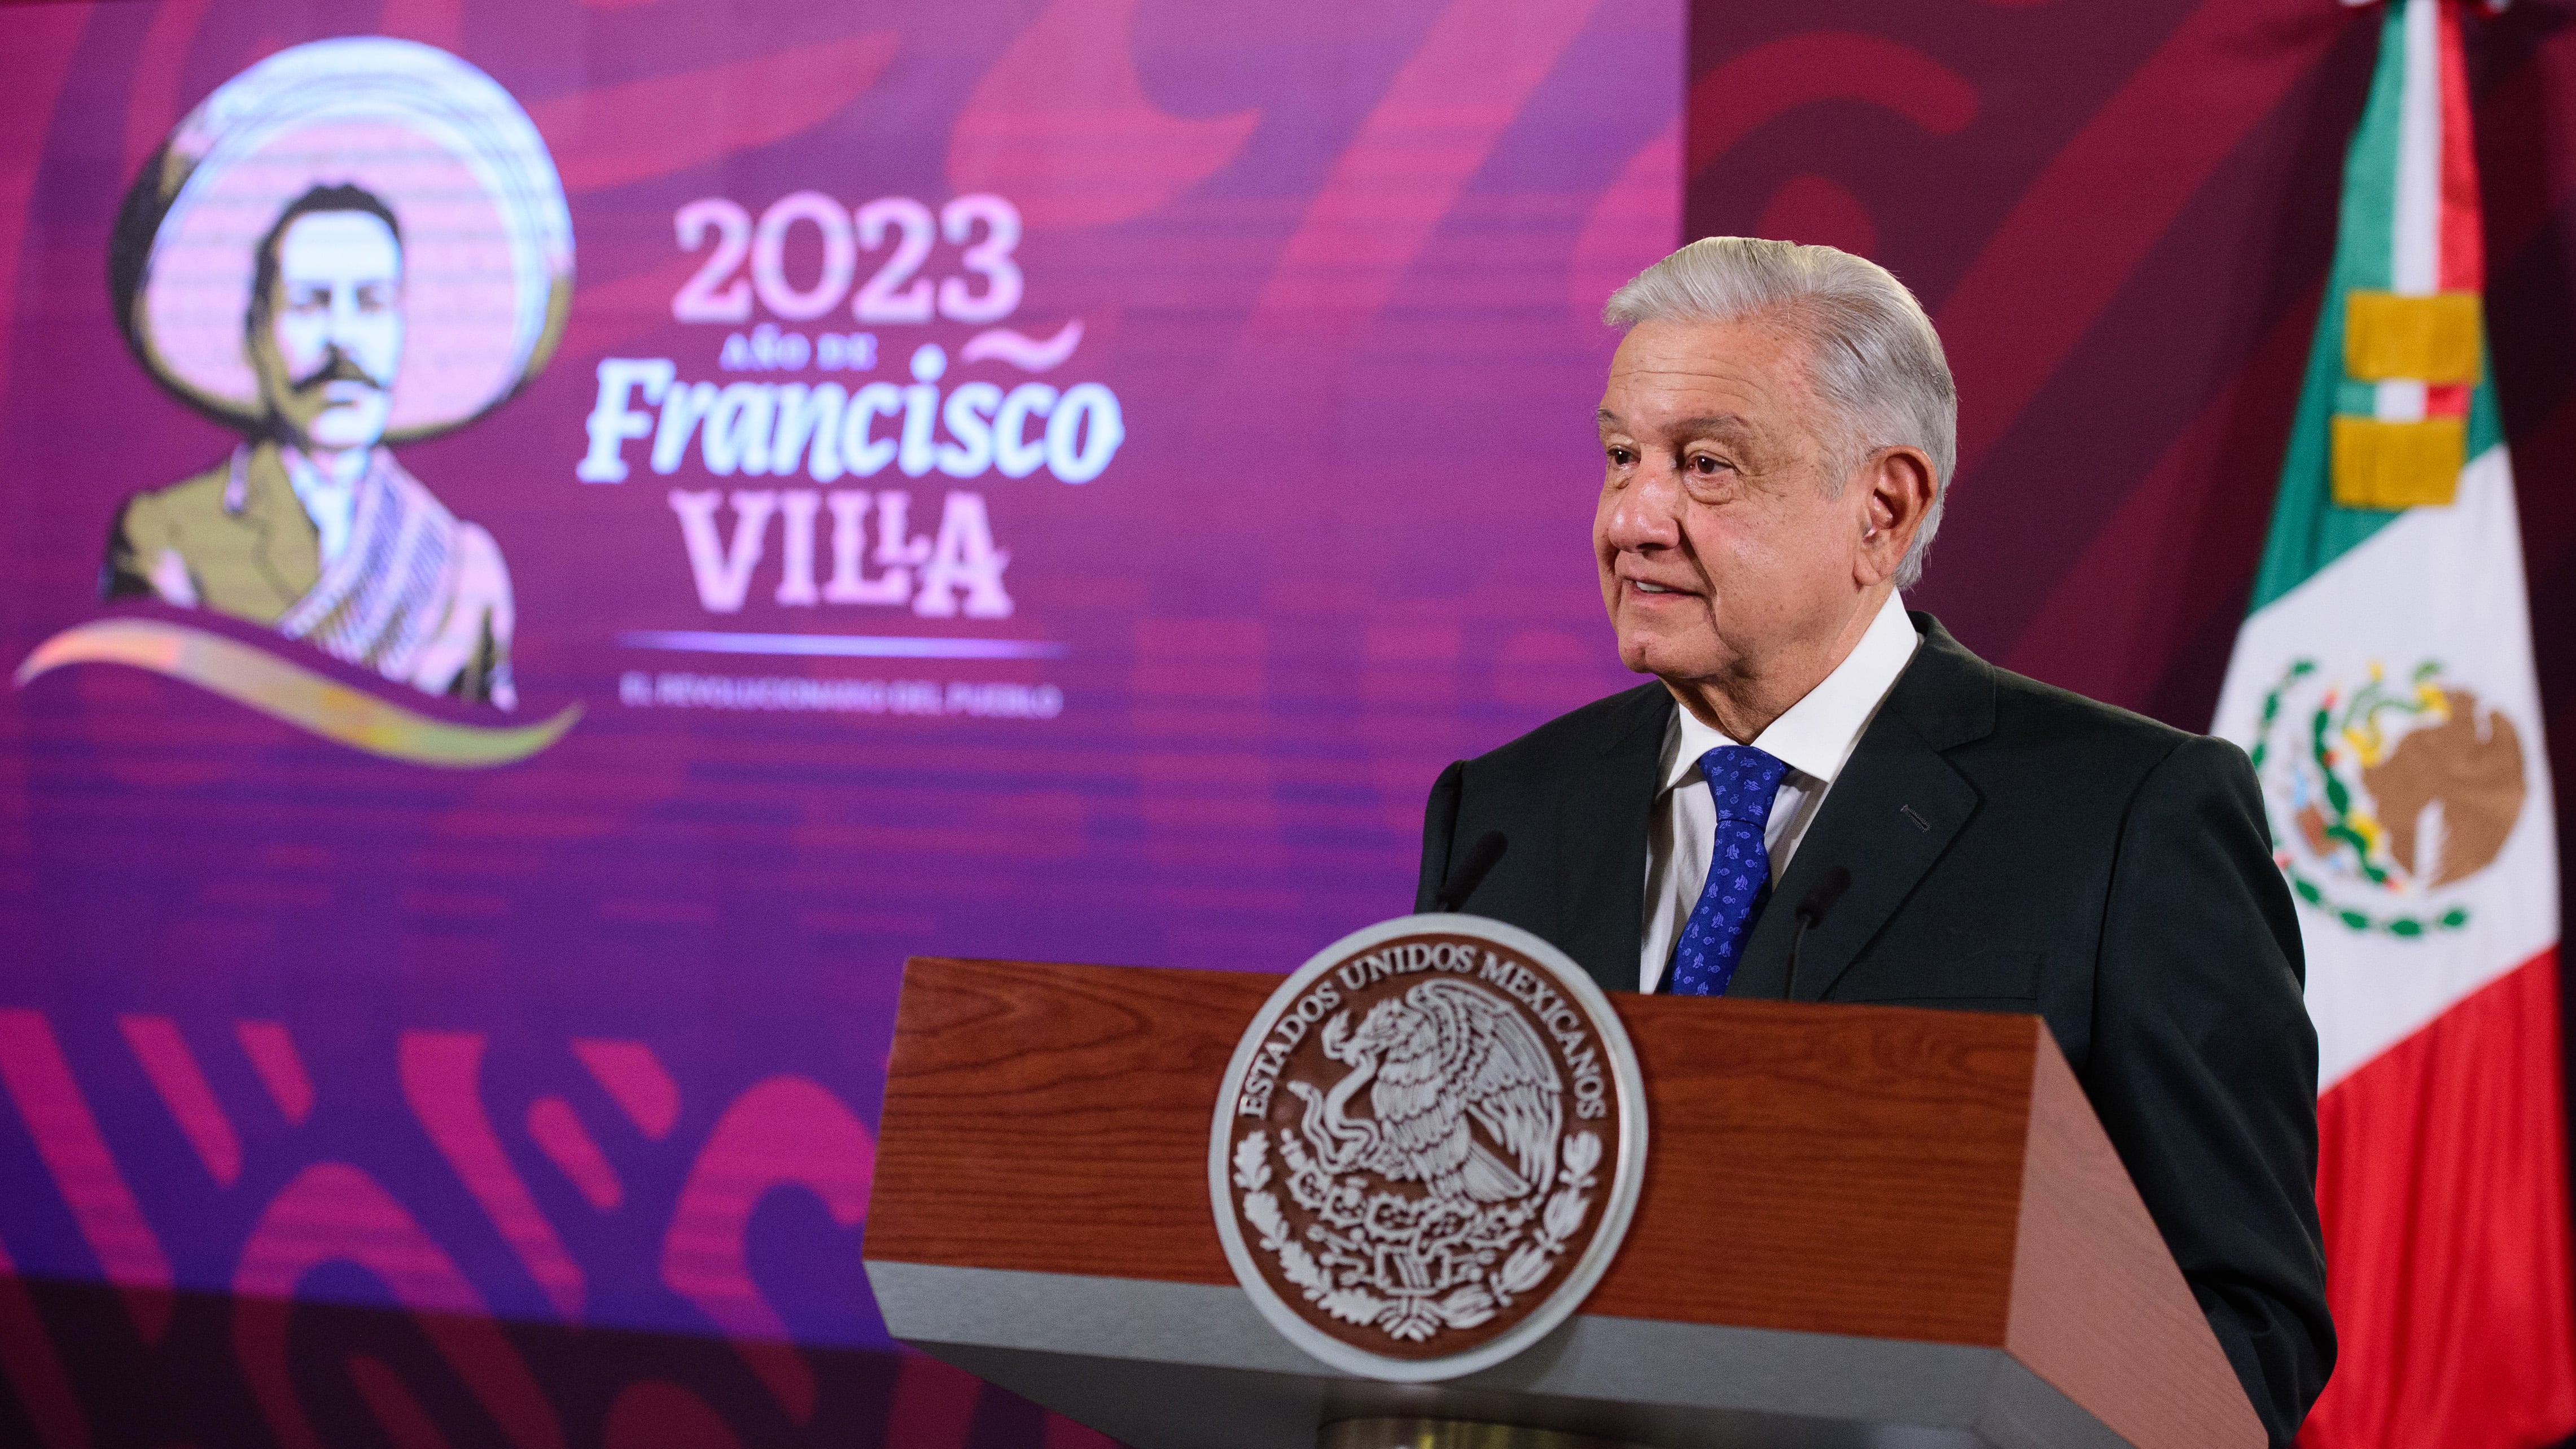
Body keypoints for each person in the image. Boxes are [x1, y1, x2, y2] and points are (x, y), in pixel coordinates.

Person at [1414, 237, 2331, 1441]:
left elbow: (2241, 1325)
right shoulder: (1504, 810)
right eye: (1620, 456)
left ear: (1881, 509)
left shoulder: (2129, 817)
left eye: (1704, 465)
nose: (1632, 517)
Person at [103, 182, 517, 707]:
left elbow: (485, 748)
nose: (342, 337)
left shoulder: (461, 566)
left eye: (371, 303)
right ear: (256, 331)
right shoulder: (169, 537)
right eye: (308, 304)